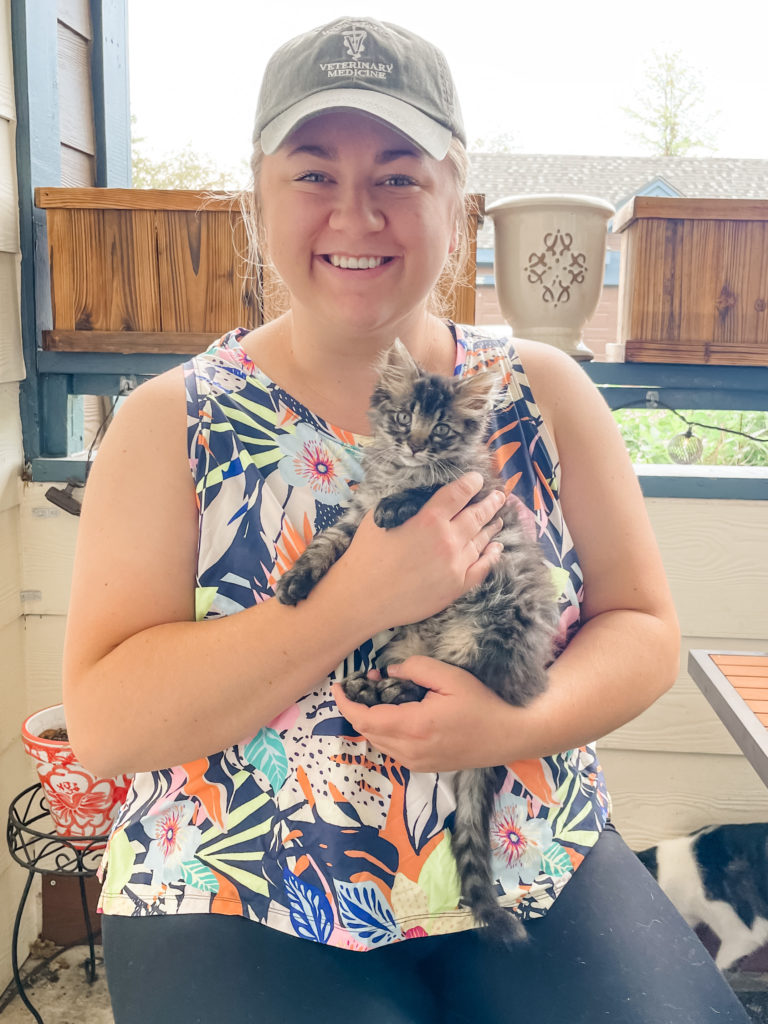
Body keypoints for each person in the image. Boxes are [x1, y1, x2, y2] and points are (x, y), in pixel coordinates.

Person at [62, 16, 750, 1024]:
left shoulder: (544, 394)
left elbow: (645, 630)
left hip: (524, 854)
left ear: (455, 198)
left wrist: (518, 720)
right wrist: (350, 601)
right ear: (256, 194)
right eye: (312, 175)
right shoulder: (170, 423)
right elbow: (108, 724)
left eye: (396, 174)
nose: (357, 213)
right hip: (237, 881)